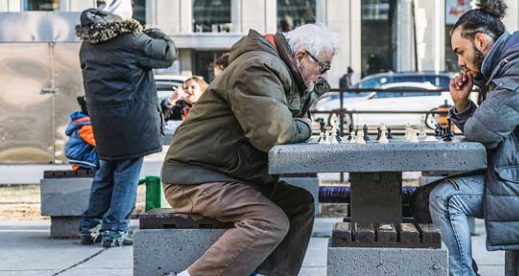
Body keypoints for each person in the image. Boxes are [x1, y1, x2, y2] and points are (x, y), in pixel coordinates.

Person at [410, 1, 519, 275]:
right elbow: (488, 130)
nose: (459, 62)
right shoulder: (508, 66)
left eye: (461, 51)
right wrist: (462, 104)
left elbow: (482, 132)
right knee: (429, 195)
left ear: (480, 41)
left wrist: (465, 107)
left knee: (445, 199)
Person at [161, 23, 339, 276]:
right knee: (268, 222)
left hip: (229, 174)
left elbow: (289, 115)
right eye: (323, 66)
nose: (324, 74)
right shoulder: (258, 67)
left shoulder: (279, 70)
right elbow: (274, 132)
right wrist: (307, 127)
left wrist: (313, 89)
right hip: (196, 179)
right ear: (300, 56)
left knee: (299, 204)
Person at [76, 0, 177, 247]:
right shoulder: (131, 40)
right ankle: (114, 229)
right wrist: (153, 32)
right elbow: (167, 53)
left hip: (104, 120)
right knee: (127, 177)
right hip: (132, 121)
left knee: (106, 173)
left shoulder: (88, 44)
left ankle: (90, 225)